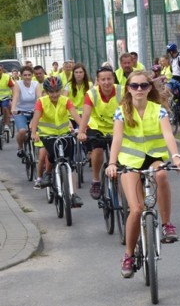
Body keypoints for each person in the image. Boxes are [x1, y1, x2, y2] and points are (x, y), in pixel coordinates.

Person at [105, 70, 180, 277]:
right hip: (129, 161)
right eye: (134, 86)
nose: (139, 89)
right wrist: (112, 163)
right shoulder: (121, 111)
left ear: (150, 88)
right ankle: (129, 254)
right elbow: (116, 139)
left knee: (161, 175)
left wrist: (176, 157)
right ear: (128, 89)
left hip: (154, 156)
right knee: (136, 209)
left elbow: (168, 134)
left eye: (143, 85)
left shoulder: (158, 110)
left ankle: (167, 224)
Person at [29, 76, 83, 207]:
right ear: (46, 92)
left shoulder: (66, 100)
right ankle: (47, 174)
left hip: (64, 134)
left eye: (57, 91)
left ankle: (73, 194)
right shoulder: (41, 101)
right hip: (48, 135)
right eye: (51, 91)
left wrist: (81, 130)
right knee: (51, 156)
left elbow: (75, 115)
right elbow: (36, 117)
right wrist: (34, 133)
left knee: (70, 163)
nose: (55, 94)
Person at [77, 66, 124, 200]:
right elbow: (86, 114)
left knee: (123, 157)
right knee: (97, 150)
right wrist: (81, 132)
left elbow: (129, 110)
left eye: (109, 78)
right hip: (98, 127)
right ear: (97, 80)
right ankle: (96, 180)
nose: (106, 82)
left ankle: (126, 196)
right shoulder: (92, 94)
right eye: (103, 79)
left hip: (118, 126)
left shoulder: (122, 91)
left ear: (114, 79)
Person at [11, 66, 37, 160]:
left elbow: (39, 99)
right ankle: (20, 147)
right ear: (21, 76)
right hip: (20, 111)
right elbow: (16, 97)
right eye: (25, 75)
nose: (27, 77)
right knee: (22, 131)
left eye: (29, 75)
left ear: (32, 75)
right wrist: (13, 108)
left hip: (34, 111)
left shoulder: (36, 84)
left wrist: (39, 110)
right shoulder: (18, 84)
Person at [63, 63, 92, 128]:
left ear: (84, 73)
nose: (78, 74)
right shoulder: (69, 85)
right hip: (71, 115)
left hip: (85, 115)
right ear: (73, 74)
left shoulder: (90, 85)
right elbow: (63, 100)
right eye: (76, 72)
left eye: (81, 72)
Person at [0, 64, 15, 132]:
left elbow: (12, 88)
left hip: (5, 97)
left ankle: (6, 124)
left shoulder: (6, 77)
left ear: (2, 70)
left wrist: (14, 98)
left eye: (0, 70)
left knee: (5, 108)